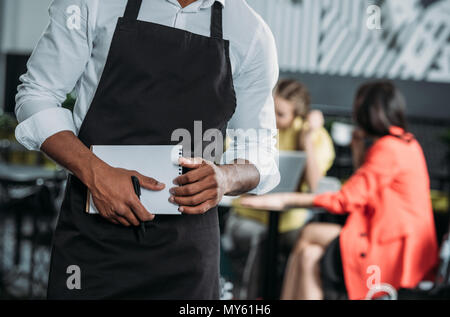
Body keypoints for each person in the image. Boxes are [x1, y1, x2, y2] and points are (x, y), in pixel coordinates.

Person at [14, 0, 281, 299]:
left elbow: (259, 148)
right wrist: (95, 172)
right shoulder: (93, 3)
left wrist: (226, 178)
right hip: (92, 243)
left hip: (188, 255)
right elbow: (37, 95)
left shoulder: (252, 32)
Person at [241, 81, 439, 300]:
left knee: (309, 233)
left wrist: (282, 199)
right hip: (397, 241)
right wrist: (358, 151)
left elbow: (346, 199)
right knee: (309, 255)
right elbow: (364, 188)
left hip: (391, 247)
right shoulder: (406, 143)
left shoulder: (388, 148)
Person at [224, 79, 335, 299]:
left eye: (281, 114)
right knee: (256, 240)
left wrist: (307, 140)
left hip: (289, 222)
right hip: (248, 215)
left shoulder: (312, 135)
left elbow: (314, 185)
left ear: (297, 116)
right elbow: (229, 170)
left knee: (304, 251)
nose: (273, 118)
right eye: (271, 110)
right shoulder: (252, 125)